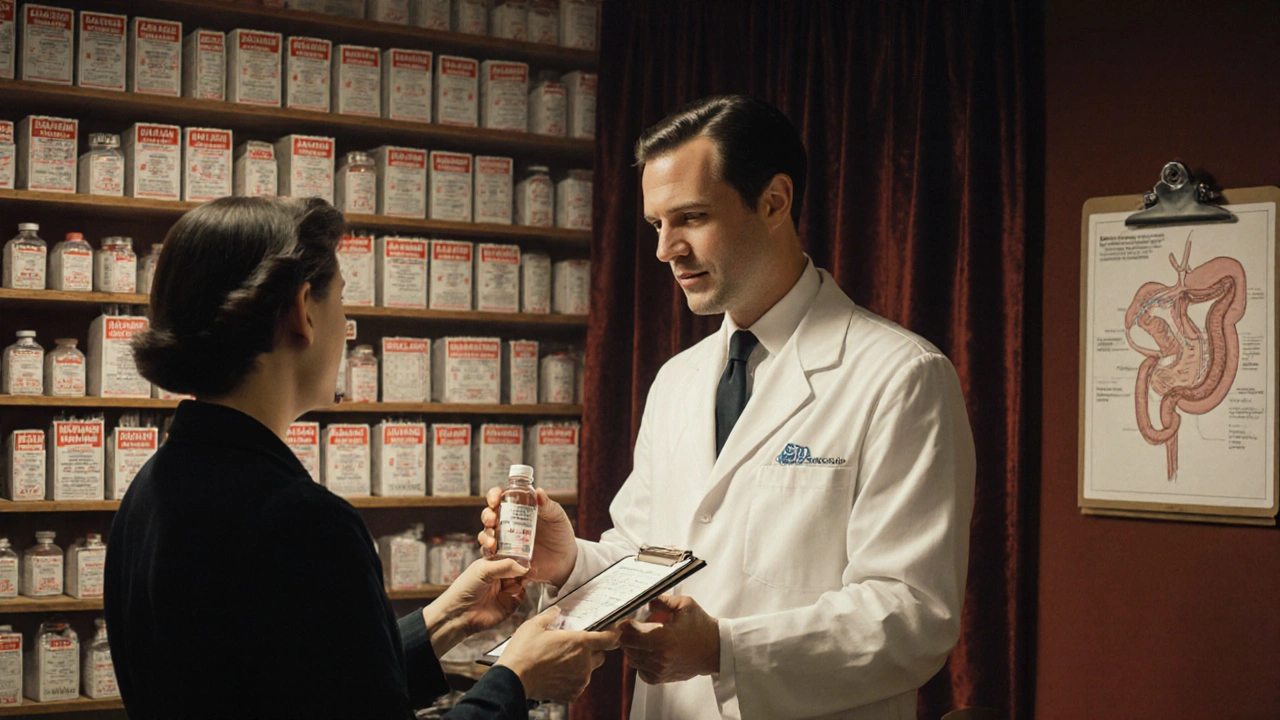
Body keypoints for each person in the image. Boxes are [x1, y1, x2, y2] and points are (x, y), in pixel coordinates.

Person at [481, 95, 976, 719]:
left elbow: (912, 616)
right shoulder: (678, 381)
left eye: (690, 217)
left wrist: (726, 649)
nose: (666, 250)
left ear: (774, 201)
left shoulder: (901, 377)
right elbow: (649, 560)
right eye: (656, 224)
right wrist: (571, 558)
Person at [104, 197, 619, 720]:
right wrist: (518, 679)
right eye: (342, 301)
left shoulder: (150, 491)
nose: (346, 326)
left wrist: (447, 619)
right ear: (304, 310)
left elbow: (308, 687)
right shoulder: (305, 522)